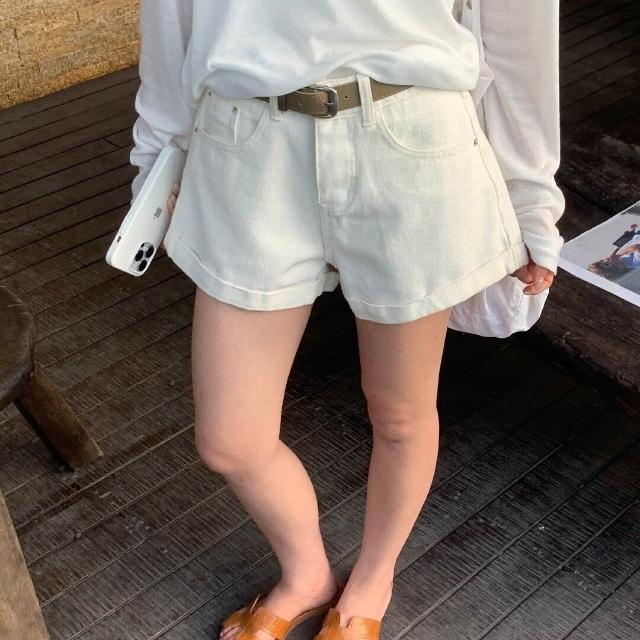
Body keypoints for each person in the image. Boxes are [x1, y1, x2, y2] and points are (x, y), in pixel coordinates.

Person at [129, 2, 565, 639]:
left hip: (412, 135)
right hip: (244, 140)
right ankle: (307, 573)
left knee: (401, 410)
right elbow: (171, 21)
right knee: (230, 438)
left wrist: (531, 198)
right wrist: (156, 159)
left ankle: (372, 580)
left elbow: (516, 31)